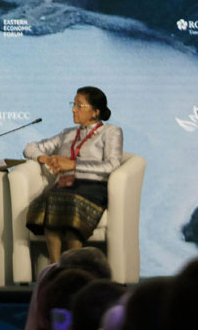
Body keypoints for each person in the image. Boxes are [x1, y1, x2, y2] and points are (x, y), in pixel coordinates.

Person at [23, 86, 123, 263]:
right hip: (65, 185)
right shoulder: (67, 134)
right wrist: (44, 158)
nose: (73, 110)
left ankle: (73, 266)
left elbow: (112, 164)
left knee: (70, 206)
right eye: (73, 104)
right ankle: (55, 266)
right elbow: (30, 147)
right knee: (51, 198)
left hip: (92, 187)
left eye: (79, 105)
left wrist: (73, 165)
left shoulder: (111, 132)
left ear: (95, 111)